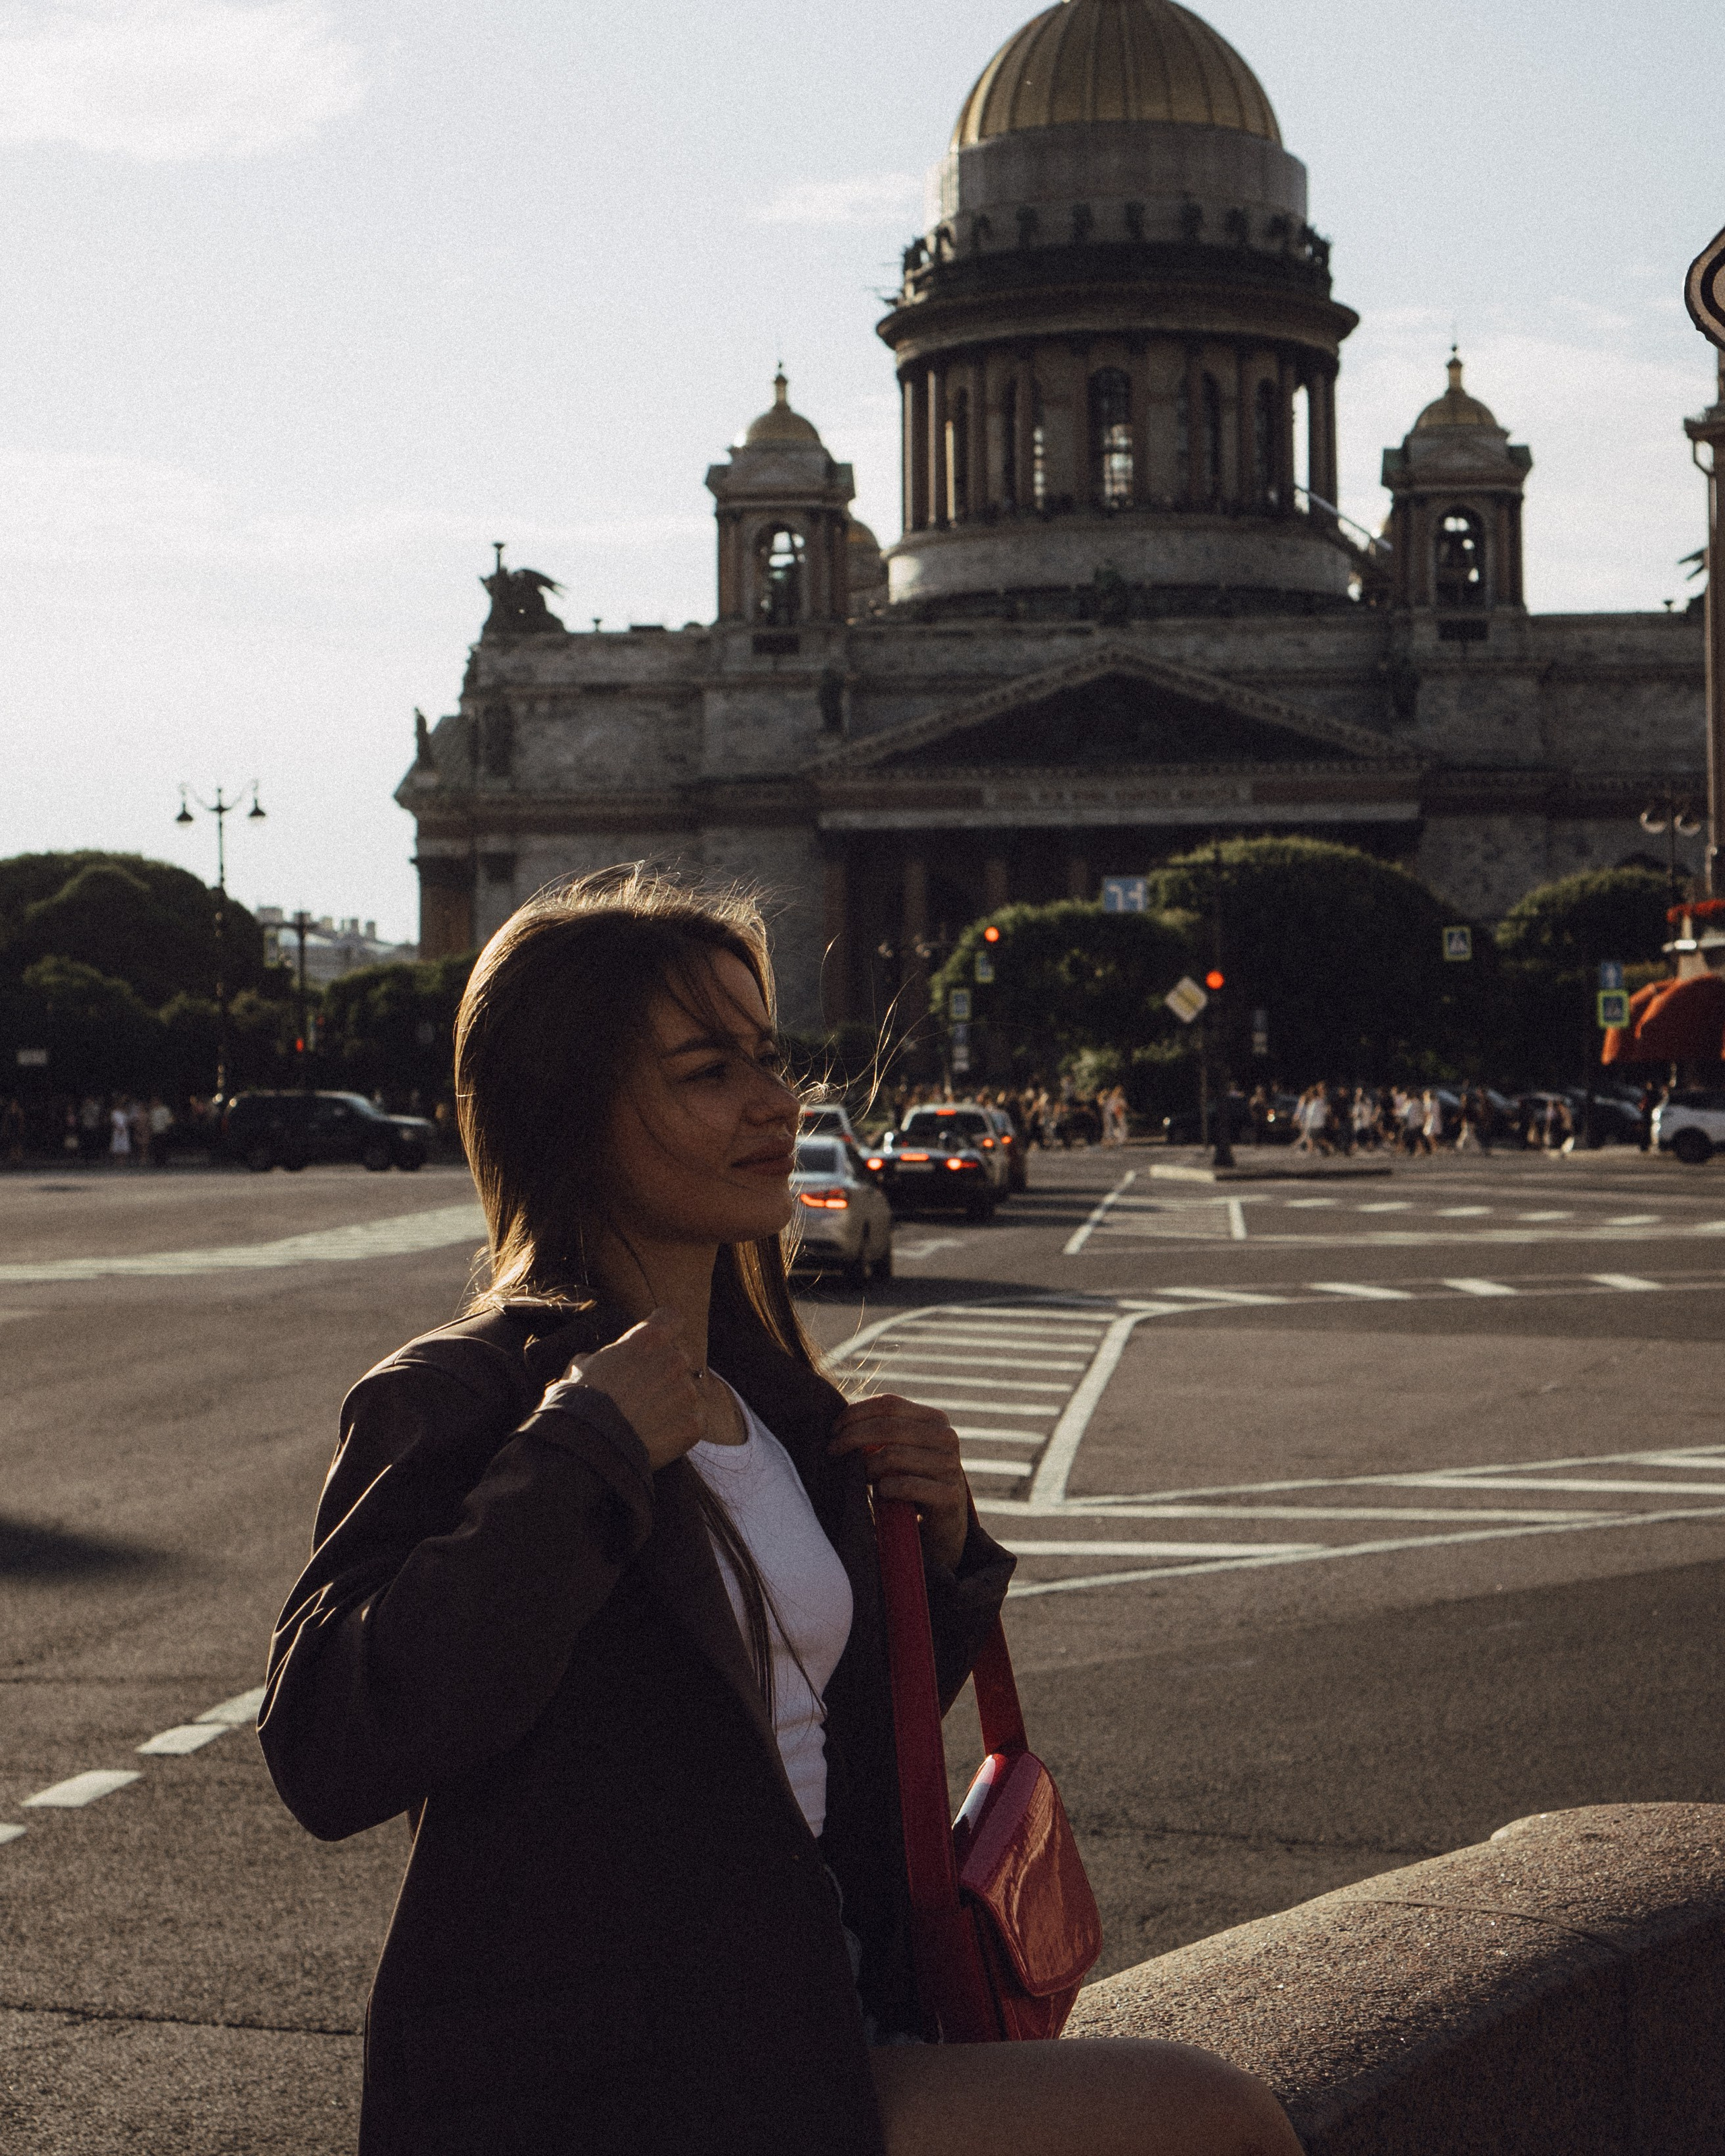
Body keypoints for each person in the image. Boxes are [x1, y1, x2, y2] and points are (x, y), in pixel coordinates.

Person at [259, 868, 1295, 2156]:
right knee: (1217, 2122)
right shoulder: (464, 1396)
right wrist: (582, 1452)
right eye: (708, 1073)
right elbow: (328, 1741)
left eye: (767, 1053)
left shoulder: (775, 1407)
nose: (775, 1102)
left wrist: (944, 1554)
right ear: (567, 1113)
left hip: (810, 2013)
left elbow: (808, 1734)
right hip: (626, 2079)